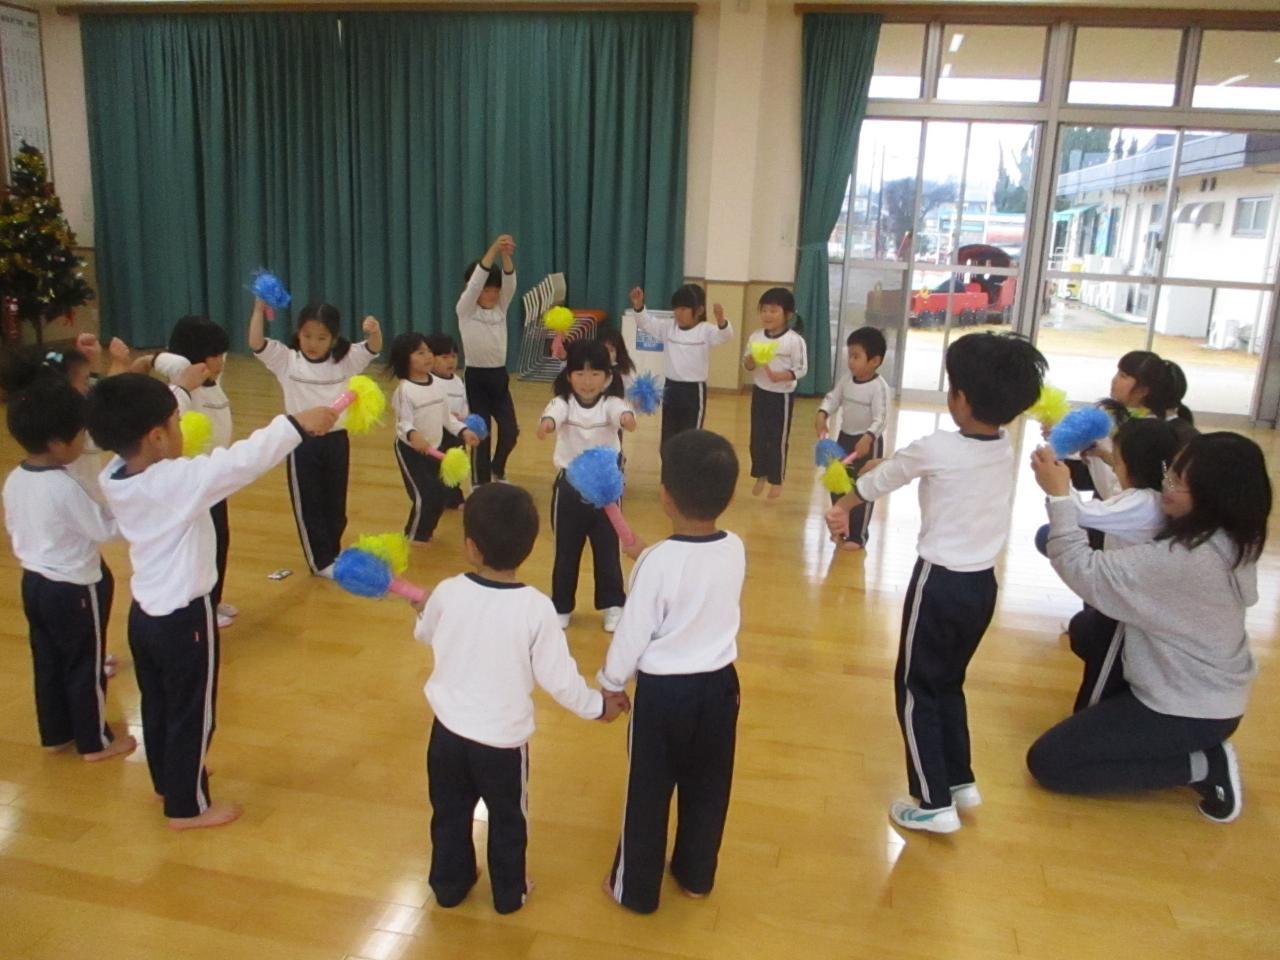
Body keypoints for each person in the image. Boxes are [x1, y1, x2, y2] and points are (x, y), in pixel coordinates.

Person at [88, 373, 337, 828]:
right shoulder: (174, 483)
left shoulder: (116, 475)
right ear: (157, 436)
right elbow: (240, 462)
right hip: (185, 619)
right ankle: (188, 806)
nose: (182, 429)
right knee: (193, 713)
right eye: (176, 421)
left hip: (144, 616)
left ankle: (169, 779)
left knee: (159, 705)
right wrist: (296, 425)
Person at [826, 333, 1046, 834]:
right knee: (947, 681)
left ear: (961, 399)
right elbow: (906, 466)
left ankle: (932, 801)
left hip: (938, 585)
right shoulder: (1003, 445)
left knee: (914, 687)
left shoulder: (936, 446)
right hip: (982, 586)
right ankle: (959, 780)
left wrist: (842, 505)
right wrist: (888, 464)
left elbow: (884, 480)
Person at [1026, 432, 1267, 824]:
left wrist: (1058, 497)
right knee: (1086, 631)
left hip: (1186, 709)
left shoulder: (1186, 559)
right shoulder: (1231, 535)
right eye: (1169, 473)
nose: (1165, 486)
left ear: (1214, 495)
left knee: (1051, 763)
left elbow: (1085, 571)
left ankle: (1203, 765)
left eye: (1178, 482)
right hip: (1205, 693)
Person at [414, 483, 628, 913]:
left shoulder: (447, 591)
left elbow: (426, 634)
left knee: (449, 813)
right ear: (528, 548)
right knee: (508, 818)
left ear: (471, 548)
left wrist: (423, 610)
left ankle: (450, 886)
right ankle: (509, 894)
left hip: (446, 735)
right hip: (502, 745)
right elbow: (559, 680)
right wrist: (597, 707)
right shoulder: (536, 608)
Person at [599, 429, 744, 914]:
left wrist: (610, 685)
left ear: (665, 496)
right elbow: (694, 575)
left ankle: (635, 889)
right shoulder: (735, 547)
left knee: (648, 789)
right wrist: (648, 556)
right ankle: (696, 875)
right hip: (721, 688)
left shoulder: (658, 563)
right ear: (729, 496)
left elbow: (632, 634)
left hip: (664, 696)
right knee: (709, 786)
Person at [1, 358, 134, 762]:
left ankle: (55, 733)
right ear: (59, 443)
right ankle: (95, 741)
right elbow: (104, 529)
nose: (83, 442)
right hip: (75, 588)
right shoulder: (63, 485)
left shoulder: (15, 478)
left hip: (34, 582)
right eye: (80, 435)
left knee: (48, 660)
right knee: (84, 663)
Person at [249, 297, 382, 576]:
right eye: (307, 335)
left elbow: (373, 347)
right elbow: (256, 342)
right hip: (301, 441)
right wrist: (258, 311)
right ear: (298, 333)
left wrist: (375, 331)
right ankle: (320, 561)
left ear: (334, 338)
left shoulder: (344, 360)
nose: (312, 343)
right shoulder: (287, 360)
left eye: (321, 338)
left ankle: (332, 553)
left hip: (336, 441)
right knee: (309, 503)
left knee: (335, 503)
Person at [536, 340, 636, 631]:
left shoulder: (611, 403)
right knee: (566, 551)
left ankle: (613, 604)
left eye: (595, 374)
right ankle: (561, 605)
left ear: (607, 377)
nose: (587, 381)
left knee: (608, 550)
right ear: (569, 376)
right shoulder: (563, 402)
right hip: (569, 488)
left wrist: (627, 419)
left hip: (605, 491)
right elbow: (552, 415)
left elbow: (622, 414)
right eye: (580, 373)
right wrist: (547, 425)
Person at [153, 316, 239, 627]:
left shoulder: (214, 380)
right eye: (215, 355)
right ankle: (202, 607)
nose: (221, 361)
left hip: (216, 479)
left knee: (220, 539)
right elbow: (166, 363)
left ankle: (213, 599)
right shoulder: (181, 391)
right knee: (202, 546)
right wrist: (179, 372)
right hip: (194, 482)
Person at [387, 332, 478, 545]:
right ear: (405, 359)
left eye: (428, 351)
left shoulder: (437, 385)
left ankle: (425, 533)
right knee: (425, 495)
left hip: (435, 448)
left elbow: (447, 418)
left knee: (440, 494)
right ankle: (414, 536)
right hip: (411, 452)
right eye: (420, 353)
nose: (428, 356)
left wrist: (464, 431)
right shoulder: (404, 390)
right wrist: (413, 435)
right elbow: (403, 424)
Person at [627, 284, 732, 449]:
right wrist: (639, 306)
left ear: (699, 310)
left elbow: (725, 335)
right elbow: (646, 323)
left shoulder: (705, 330)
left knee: (691, 439)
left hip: (693, 391)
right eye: (676, 308)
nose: (678, 313)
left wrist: (721, 321)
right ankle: (668, 465)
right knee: (668, 439)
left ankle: (689, 466)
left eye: (684, 309)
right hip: (671, 388)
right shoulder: (668, 327)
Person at [816, 326, 890, 548]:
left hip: (867, 444)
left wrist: (868, 437)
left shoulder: (879, 388)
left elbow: (881, 418)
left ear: (874, 361)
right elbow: (833, 398)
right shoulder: (846, 380)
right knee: (838, 483)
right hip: (845, 439)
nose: (850, 361)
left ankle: (858, 536)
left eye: (856, 356)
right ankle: (840, 529)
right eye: (850, 355)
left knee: (862, 487)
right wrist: (822, 413)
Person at [457, 235, 518, 484]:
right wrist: (493, 249)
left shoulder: (501, 307)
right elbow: (475, 284)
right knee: (481, 433)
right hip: (476, 378)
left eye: (495, 290)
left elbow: (510, 282)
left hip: (498, 377)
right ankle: (480, 483)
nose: (492, 295)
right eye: (486, 290)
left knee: (510, 430)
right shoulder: (466, 309)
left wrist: (505, 255)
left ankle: (497, 468)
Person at [743, 287, 808, 500]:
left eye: (773, 311)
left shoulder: (794, 340)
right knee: (757, 437)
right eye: (764, 310)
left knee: (777, 438)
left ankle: (777, 479)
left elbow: (801, 369)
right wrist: (751, 360)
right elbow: (747, 364)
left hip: (782, 396)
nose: (767, 315)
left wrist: (783, 376)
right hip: (760, 393)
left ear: (787, 314)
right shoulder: (756, 337)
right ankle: (760, 473)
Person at [427, 332, 469, 509]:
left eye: (453, 356)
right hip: (438, 432)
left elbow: (464, 402)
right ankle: (438, 497)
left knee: (455, 464)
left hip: (456, 430)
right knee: (437, 466)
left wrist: (464, 417)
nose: (450, 361)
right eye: (444, 357)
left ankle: (454, 497)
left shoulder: (458, 381)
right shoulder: (429, 381)